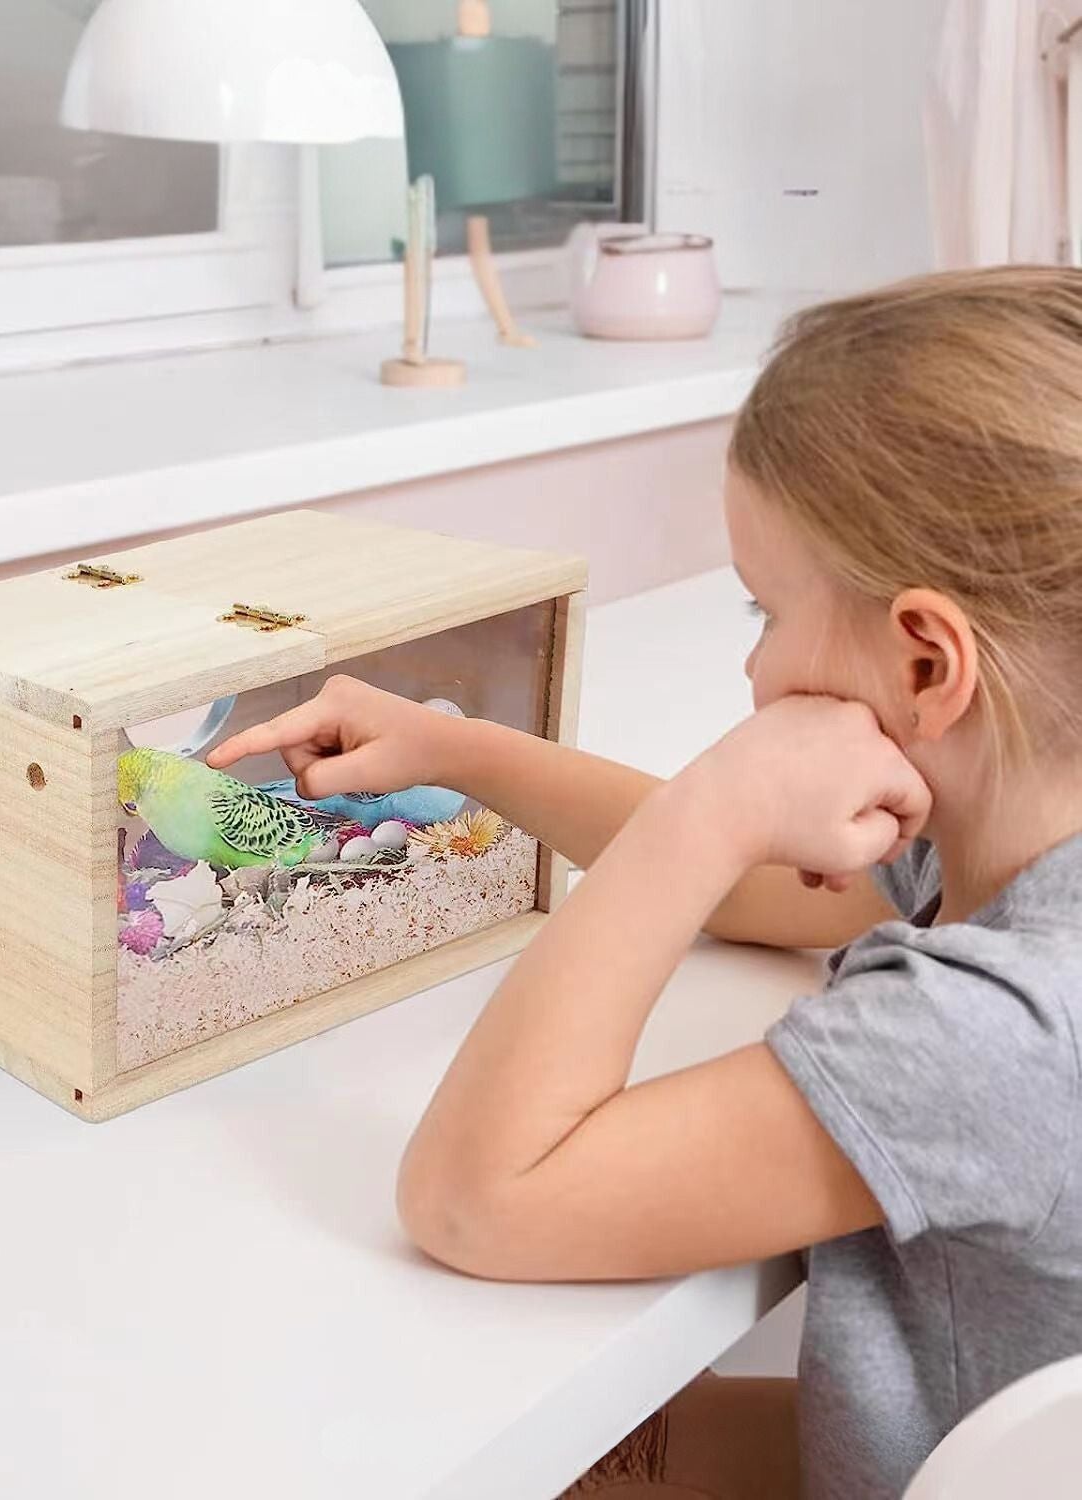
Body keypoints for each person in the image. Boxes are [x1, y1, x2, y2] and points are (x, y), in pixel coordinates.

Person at [207, 267, 1082, 1499]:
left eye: (765, 610)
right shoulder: (1022, 829)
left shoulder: (992, 1033)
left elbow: (474, 1198)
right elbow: (767, 892)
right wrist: (462, 751)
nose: (752, 665)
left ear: (928, 664)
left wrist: (716, 804)